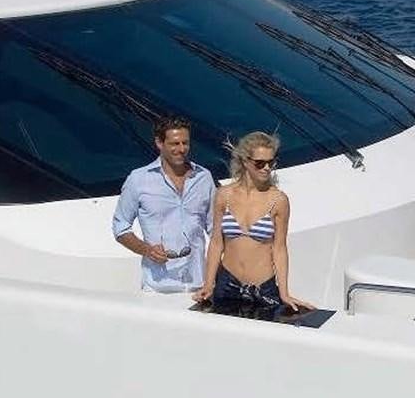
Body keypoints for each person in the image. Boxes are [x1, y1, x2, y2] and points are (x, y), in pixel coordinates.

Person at [194, 131, 313, 318]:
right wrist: (208, 284)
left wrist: (284, 292)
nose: (267, 168)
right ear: (245, 161)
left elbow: (279, 249)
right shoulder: (223, 195)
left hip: (263, 288)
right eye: (260, 163)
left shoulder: (278, 200)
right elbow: (217, 243)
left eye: (271, 163)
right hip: (226, 285)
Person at [112, 116, 215, 294]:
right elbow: (120, 228)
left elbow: (215, 229)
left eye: (185, 143)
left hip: (199, 284)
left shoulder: (204, 177)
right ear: (159, 143)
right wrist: (146, 250)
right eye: (175, 144)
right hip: (157, 287)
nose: (182, 149)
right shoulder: (138, 179)